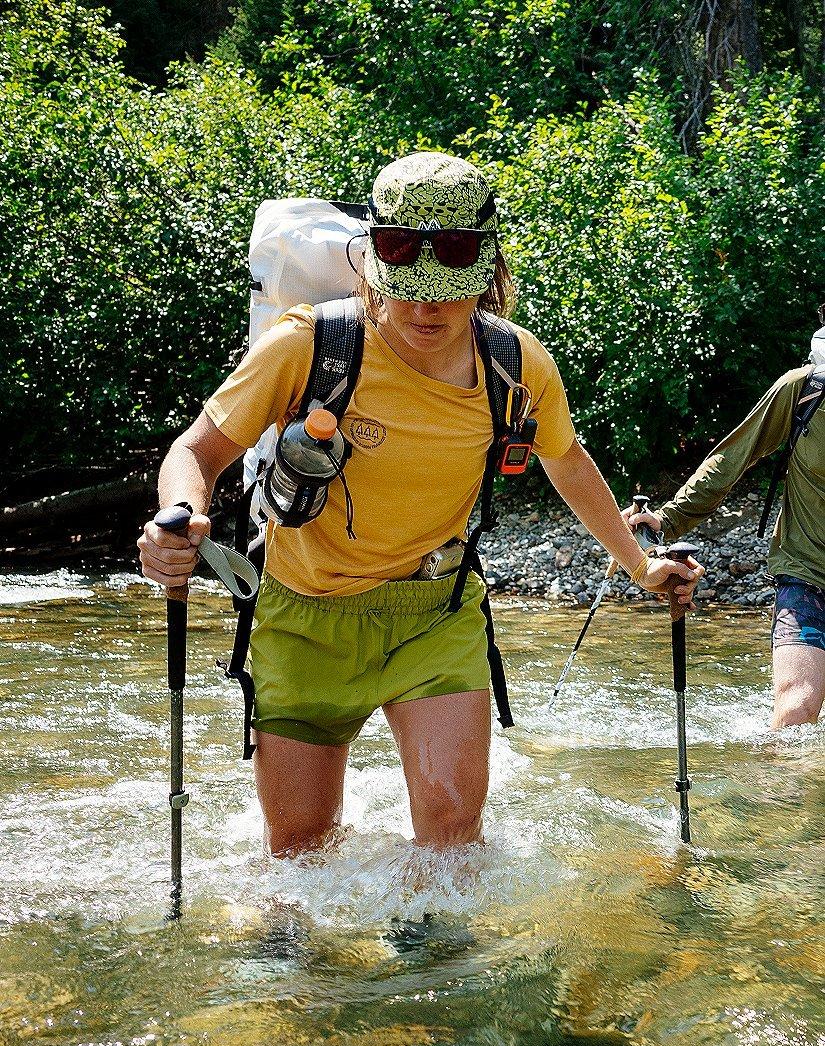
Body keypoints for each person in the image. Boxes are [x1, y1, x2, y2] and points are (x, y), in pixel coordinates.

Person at [138, 152, 702, 856]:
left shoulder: (516, 366)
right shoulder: (309, 344)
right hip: (302, 616)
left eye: (448, 289)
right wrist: (179, 518)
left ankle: (437, 960)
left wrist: (638, 564)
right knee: (298, 848)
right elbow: (196, 452)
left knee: (452, 834)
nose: (424, 307)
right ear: (374, 265)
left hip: (434, 614)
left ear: (486, 277)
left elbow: (567, 460)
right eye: (404, 286)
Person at [625, 365, 824, 730]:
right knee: (797, 707)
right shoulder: (805, 389)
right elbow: (732, 458)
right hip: (806, 570)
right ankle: (777, 788)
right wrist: (668, 519)